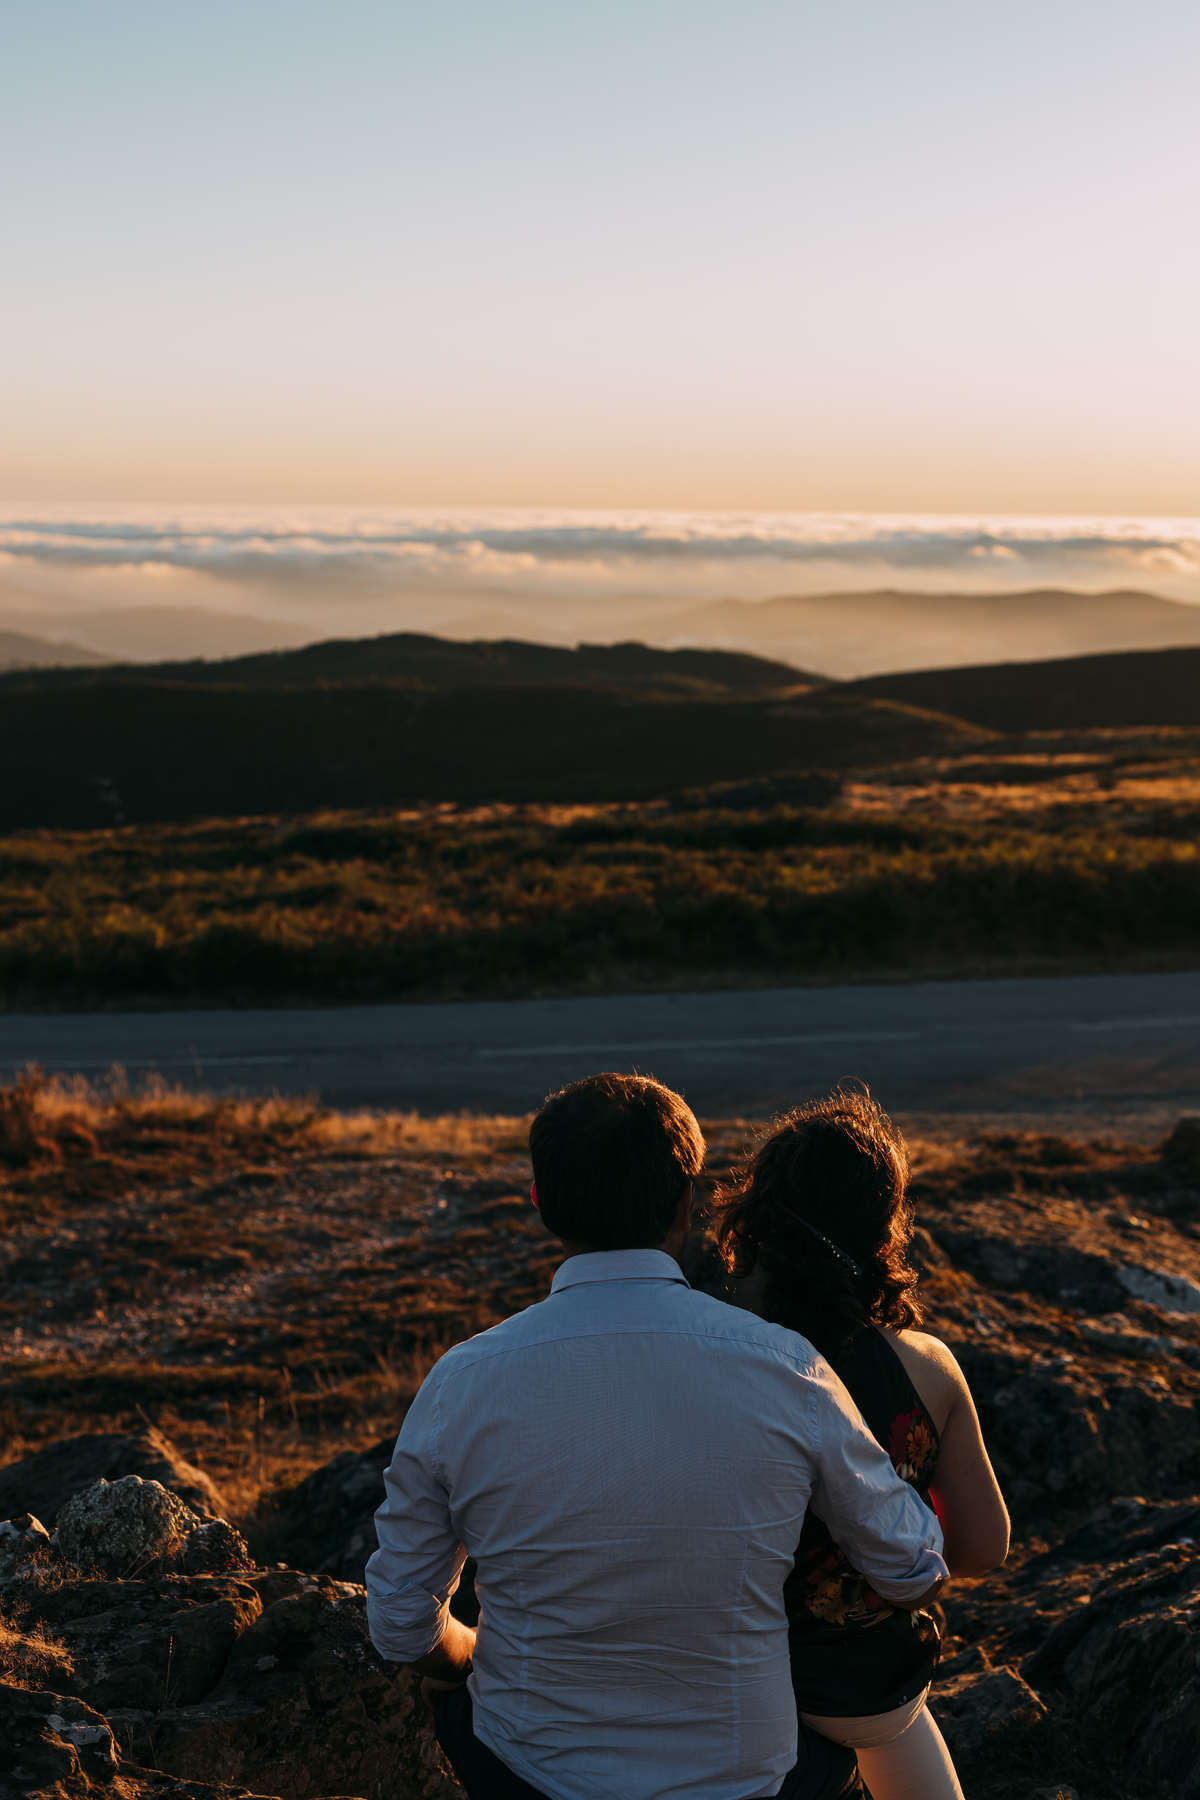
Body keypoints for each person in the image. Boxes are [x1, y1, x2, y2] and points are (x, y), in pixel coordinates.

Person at [366, 1072, 949, 1800]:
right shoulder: (783, 1367)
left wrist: (471, 1654)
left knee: (451, 1705)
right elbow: (913, 1566)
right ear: (687, 1202)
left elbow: (398, 1624)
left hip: (529, 1776)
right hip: (754, 1781)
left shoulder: (462, 1381)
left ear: (542, 1204)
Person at [714, 1089, 1010, 1800]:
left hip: (729, 1686)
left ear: (758, 1225)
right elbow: (983, 1549)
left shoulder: (715, 1358)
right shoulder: (926, 1368)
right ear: (885, 1228)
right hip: (871, 1694)